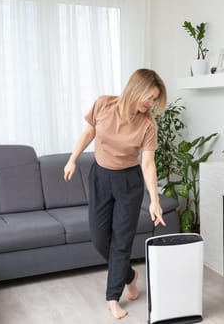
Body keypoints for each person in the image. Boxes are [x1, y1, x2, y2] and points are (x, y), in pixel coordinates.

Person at [63, 68, 167, 319]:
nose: (150, 103)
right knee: (100, 239)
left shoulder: (147, 125)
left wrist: (154, 200)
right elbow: (89, 132)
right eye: (148, 96)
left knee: (121, 241)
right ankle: (130, 275)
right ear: (135, 88)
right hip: (100, 177)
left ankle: (113, 298)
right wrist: (73, 159)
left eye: (154, 99)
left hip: (128, 183)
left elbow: (148, 163)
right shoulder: (103, 104)